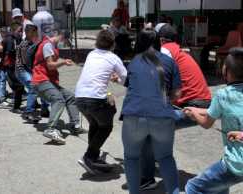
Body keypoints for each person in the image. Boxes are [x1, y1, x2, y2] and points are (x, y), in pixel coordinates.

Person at [121, 28, 181, 194]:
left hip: (133, 116)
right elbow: (177, 94)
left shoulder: (133, 62)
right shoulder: (170, 62)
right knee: (165, 157)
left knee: (132, 158)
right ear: (158, 43)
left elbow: (132, 90)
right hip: (162, 116)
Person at [184, 47, 243, 194]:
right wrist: (198, 110)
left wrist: (193, 114)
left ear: (226, 72)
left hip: (236, 164)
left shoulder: (223, 94)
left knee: (192, 187)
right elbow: (217, 111)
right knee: (221, 187)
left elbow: (206, 123)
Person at [75, 30, 127, 174]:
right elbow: (125, 78)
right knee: (106, 125)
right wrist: (117, 79)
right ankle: (89, 157)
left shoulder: (91, 54)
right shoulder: (113, 58)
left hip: (79, 97)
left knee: (95, 123)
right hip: (95, 99)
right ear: (113, 44)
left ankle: (94, 157)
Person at [32, 7, 83, 144]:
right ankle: (50, 128)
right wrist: (63, 62)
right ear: (62, 37)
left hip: (48, 81)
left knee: (70, 97)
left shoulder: (53, 46)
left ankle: (75, 124)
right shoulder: (48, 45)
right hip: (40, 80)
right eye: (66, 41)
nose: (65, 44)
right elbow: (50, 65)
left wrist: (61, 62)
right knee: (58, 99)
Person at [156, 23, 211, 108]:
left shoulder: (165, 50)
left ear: (161, 40)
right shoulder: (176, 50)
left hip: (192, 104)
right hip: (202, 101)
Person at [1, 22, 25, 113]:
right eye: (20, 31)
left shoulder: (15, 39)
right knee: (19, 86)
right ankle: (16, 107)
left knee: (24, 85)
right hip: (10, 67)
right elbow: (10, 52)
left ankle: (32, 104)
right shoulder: (11, 39)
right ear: (13, 30)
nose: (21, 33)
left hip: (14, 66)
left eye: (22, 31)